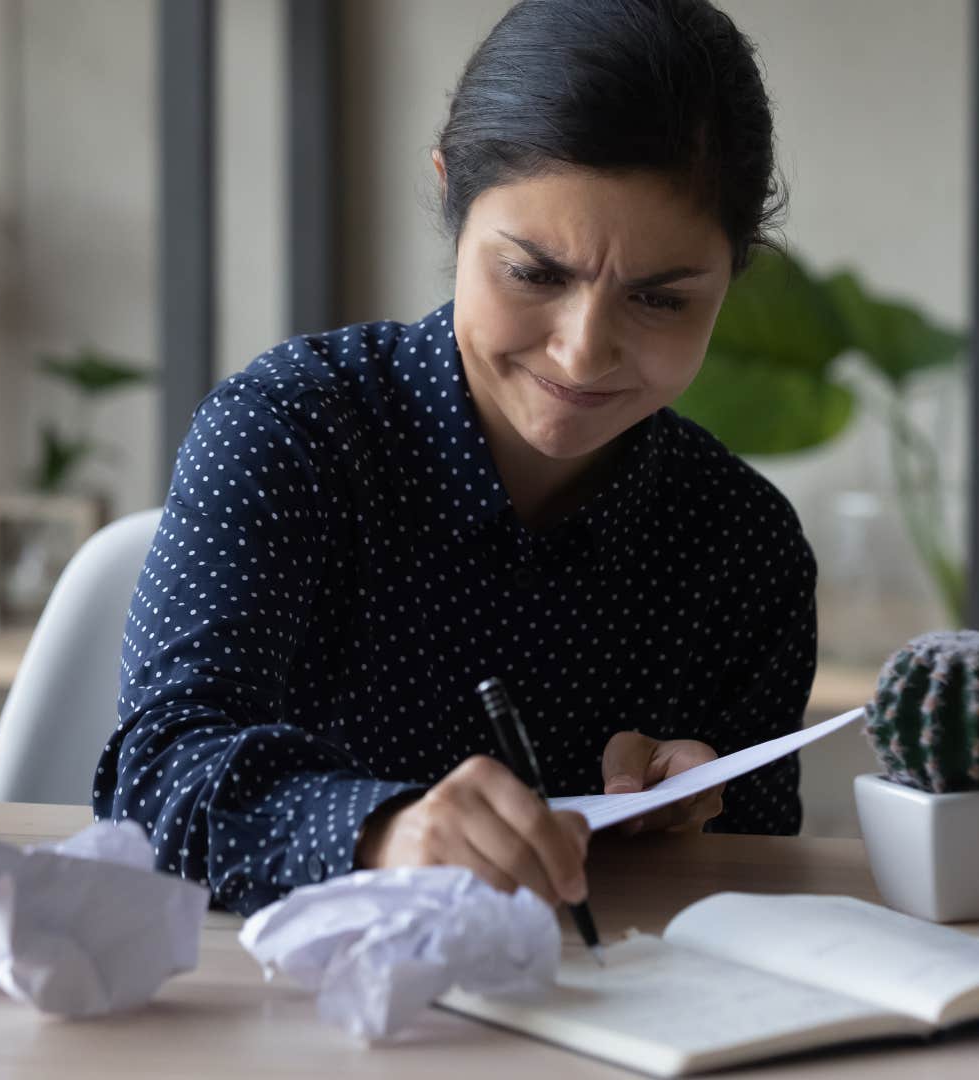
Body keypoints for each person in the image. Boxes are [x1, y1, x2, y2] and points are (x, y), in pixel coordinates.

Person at [94, 0, 816, 916]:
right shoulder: (293, 431)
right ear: (449, 197)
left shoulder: (740, 542)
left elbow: (764, 883)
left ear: (734, 274)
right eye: (534, 274)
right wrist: (383, 833)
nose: (582, 351)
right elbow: (155, 777)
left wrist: (687, 804)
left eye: (661, 301)